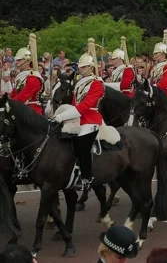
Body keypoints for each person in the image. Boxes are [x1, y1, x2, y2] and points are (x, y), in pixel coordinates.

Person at [53, 38, 104, 191]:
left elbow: (86, 104)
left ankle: (86, 178)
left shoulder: (97, 83)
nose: (80, 69)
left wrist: (63, 116)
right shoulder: (80, 82)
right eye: (80, 67)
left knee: (82, 144)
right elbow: (75, 103)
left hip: (91, 119)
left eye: (83, 67)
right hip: (78, 118)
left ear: (91, 68)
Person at [11, 33, 44, 115]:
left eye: (20, 60)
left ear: (28, 61)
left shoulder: (33, 78)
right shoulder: (21, 77)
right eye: (17, 60)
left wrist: (9, 104)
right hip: (20, 109)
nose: (17, 62)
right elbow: (14, 94)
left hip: (32, 112)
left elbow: (22, 97)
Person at [152, 29, 167, 100]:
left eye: (156, 53)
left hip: (166, 96)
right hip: (157, 94)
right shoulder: (156, 66)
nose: (154, 55)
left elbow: (164, 84)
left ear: (162, 54)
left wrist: (151, 88)